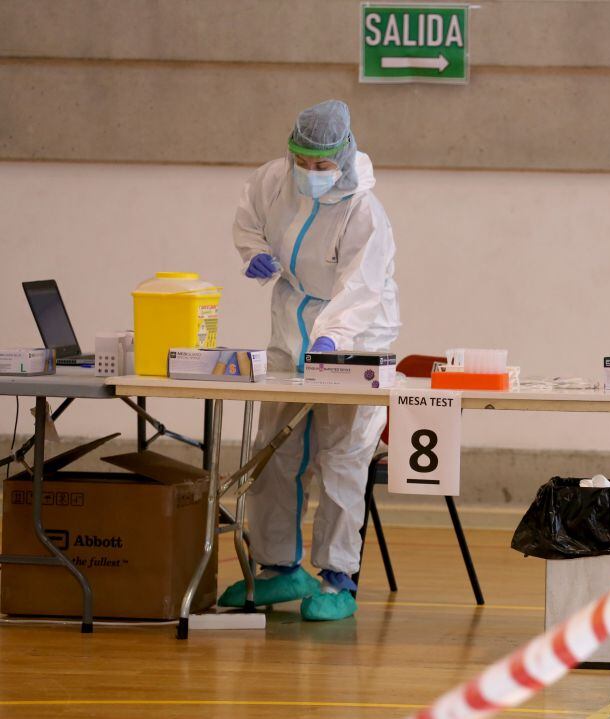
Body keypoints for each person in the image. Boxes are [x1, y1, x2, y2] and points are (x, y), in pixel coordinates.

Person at [218, 99, 400, 622]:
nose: (312, 174)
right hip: (289, 326)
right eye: (304, 162)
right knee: (275, 449)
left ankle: (339, 579)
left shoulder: (363, 209)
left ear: (342, 158)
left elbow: (360, 288)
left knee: (342, 457)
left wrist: (332, 339)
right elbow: (248, 217)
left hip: (354, 336)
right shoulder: (274, 179)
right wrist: (251, 251)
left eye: (322, 166)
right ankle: (279, 568)